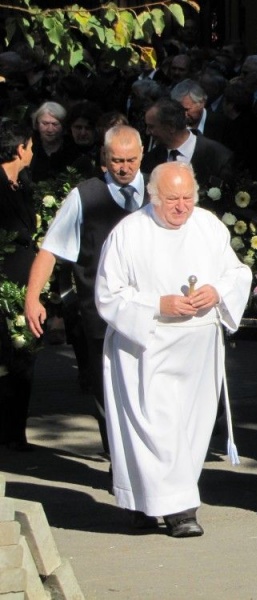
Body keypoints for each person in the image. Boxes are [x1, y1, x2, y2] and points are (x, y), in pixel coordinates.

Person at [95, 161, 251, 537]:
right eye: (172, 200)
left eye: (187, 198)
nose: (182, 207)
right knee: (154, 428)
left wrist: (217, 291)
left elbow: (237, 273)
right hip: (147, 347)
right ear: (153, 197)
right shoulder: (129, 233)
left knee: (189, 429)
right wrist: (157, 305)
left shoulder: (208, 226)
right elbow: (108, 294)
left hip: (198, 347)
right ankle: (173, 509)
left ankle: (162, 504)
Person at [25, 125, 148, 454]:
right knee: (107, 391)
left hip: (152, 312)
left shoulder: (161, 190)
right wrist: (32, 298)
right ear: (104, 158)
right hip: (99, 315)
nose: (124, 168)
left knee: (149, 390)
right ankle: (118, 460)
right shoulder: (84, 195)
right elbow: (51, 250)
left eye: (131, 160)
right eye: (117, 160)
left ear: (142, 155)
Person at [0, 121, 35, 450]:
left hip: (25, 281)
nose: (32, 152)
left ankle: (15, 432)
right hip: (2, 281)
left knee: (24, 356)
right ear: (18, 148)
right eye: (30, 145)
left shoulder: (23, 182)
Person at [141, 98, 234, 189]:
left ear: (171, 126)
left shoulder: (219, 157)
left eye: (151, 127)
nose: (147, 132)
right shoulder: (150, 160)